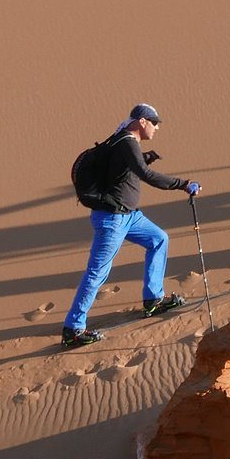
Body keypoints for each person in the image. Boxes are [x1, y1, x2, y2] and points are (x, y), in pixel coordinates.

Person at [60, 103, 200, 348]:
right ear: (142, 121)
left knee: (158, 239)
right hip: (112, 219)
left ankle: (153, 300)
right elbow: (144, 174)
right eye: (154, 122)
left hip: (131, 217)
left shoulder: (125, 143)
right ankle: (73, 328)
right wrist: (182, 183)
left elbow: (126, 168)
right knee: (97, 272)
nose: (157, 127)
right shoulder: (126, 141)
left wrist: (145, 157)